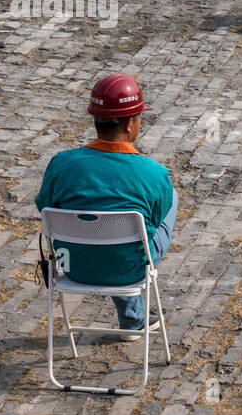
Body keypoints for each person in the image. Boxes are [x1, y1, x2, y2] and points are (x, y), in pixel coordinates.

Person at [35, 74, 176, 338]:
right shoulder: (154, 173)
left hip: (74, 265)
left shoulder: (61, 164)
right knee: (161, 206)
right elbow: (153, 224)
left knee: (110, 226)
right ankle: (134, 320)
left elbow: (44, 208)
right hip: (129, 268)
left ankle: (134, 317)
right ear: (130, 124)